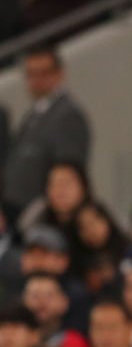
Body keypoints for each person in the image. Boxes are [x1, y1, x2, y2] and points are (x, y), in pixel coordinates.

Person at [2, 45, 91, 221]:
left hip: (39, 216)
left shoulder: (68, 115)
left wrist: (47, 212)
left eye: (43, 73)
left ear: (59, 74)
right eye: (31, 74)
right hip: (15, 212)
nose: (36, 80)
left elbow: (68, 172)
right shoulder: (34, 113)